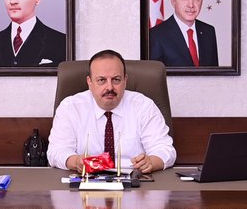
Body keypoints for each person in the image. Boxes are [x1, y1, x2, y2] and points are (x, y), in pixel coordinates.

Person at [47, 49, 176, 174]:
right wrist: (76, 162)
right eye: (101, 80)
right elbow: (56, 151)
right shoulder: (70, 107)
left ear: (125, 80)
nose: (109, 87)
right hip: (87, 180)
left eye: (116, 80)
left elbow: (165, 149)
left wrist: (151, 162)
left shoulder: (144, 106)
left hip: (135, 181)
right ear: (89, 82)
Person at [148, 0, 219, 67]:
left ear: (202, 1)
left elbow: (214, 73)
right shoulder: (156, 35)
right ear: (173, 1)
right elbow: (154, 74)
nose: (191, 5)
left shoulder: (209, 31)